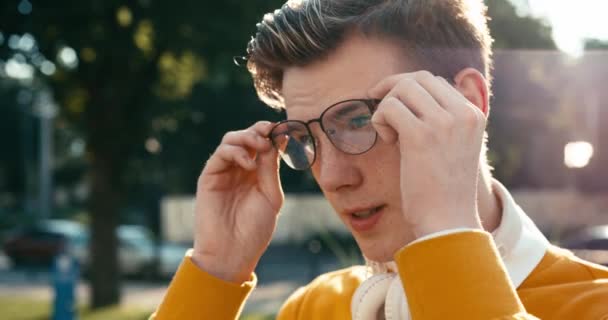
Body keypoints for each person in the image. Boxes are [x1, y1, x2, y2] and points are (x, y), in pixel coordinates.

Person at [152, 0, 608, 319]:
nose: (331, 176)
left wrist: (447, 231)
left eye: (358, 120)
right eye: (303, 137)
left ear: (467, 101)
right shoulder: (313, 309)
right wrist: (215, 270)